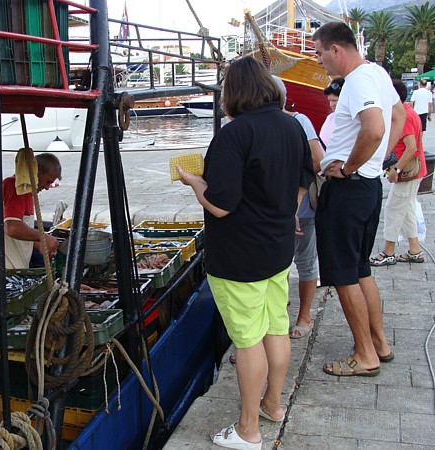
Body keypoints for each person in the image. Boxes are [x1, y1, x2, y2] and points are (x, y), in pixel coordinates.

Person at [177, 56, 313, 450]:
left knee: (248, 339)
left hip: (239, 257)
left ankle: (248, 430)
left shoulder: (234, 135)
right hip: (277, 249)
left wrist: (193, 182)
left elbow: (220, 204)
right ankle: (273, 404)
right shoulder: (292, 125)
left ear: (233, 93)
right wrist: (282, 214)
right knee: (276, 326)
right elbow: (303, 182)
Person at [312, 22, 405, 377]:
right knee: (361, 268)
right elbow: (396, 116)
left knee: (343, 274)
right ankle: (379, 342)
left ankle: (364, 354)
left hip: (349, 189)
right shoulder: (378, 74)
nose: (319, 61)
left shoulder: (357, 82)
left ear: (336, 49)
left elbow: (376, 128)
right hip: (367, 188)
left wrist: (351, 166)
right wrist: (378, 160)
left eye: (320, 53)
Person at [272, 76, 324, 339]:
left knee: (304, 261)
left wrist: (291, 185)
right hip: (273, 210)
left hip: (300, 207)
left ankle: (305, 315)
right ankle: (279, 314)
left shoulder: (299, 121)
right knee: (276, 265)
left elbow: (317, 161)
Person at [369, 79, 427, 266]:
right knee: (406, 209)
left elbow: (411, 148)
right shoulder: (409, 112)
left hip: (407, 172)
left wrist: (396, 169)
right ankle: (415, 249)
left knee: (393, 209)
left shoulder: (405, 116)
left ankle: (388, 251)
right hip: (413, 171)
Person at [0, 152, 62, 283]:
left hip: (5, 265)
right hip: (2, 267)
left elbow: (14, 232)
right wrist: (44, 237)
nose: (47, 187)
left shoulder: (25, 190)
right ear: (38, 171)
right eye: (47, 182)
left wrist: (37, 244)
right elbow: (12, 228)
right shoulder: (16, 188)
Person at [319, 77, 345, 147]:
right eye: (330, 101)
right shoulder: (330, 118)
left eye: (335, 100)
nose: (331, 105)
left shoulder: (355, 121)